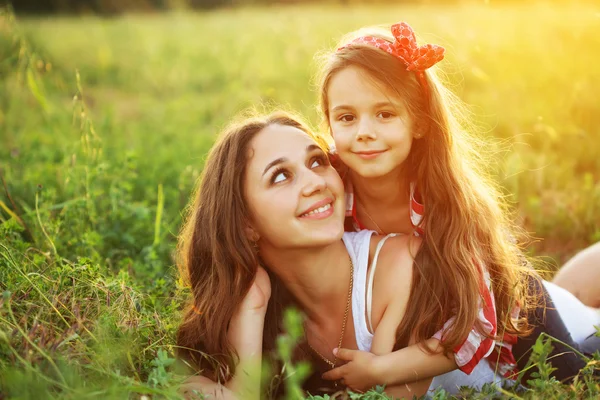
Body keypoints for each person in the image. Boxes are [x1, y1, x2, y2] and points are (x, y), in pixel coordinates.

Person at [175, 112, 599, 399]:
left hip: (544, 331)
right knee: (570, 291)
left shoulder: (402, 265)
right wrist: (250, 309)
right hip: (541, 301)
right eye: (281, 176)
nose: (315, 182)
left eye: (317, 162)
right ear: (245, 223)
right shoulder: (262, 306)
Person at [314, 21, 600, 392]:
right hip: (430, 322)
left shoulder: (447, 204)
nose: (364, 131)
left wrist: (381, 370)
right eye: (346, 117)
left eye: (385, 114)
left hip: (509, 308)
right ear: (329, 122)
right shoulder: (326, 184)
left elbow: (476, 328)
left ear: (418, 121)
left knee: (575, 378)